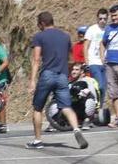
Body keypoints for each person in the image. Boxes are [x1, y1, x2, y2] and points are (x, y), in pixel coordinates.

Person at [27, 11, 88, 150]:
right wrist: (68, 71)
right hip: (62, 76)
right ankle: (76, 130)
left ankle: (37, 140)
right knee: (66, 107)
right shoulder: (65, 36)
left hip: (47, 75)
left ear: (42, 23)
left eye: (38, 24)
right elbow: (72, 59)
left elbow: (36, 59)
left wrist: (32, 80)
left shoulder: (39, 36)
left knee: (37, 109)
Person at [48, 63, 100, 131]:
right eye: (72, 69)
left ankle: (87, 120)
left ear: (81, 71)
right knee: (55, 102)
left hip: (83, 106)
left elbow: (94, 97)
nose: (73, 71)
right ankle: (55, 122)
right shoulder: (69, 83)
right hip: (71, 108)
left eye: (76, 70)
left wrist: (85, 92)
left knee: (89, 100)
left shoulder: (88, 81)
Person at [84, 8, 109, 106]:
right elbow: (85, 46)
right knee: (100, 86)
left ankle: (99, 108)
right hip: (93, 62)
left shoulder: (108, 29)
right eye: (100, 18)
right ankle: (94, 104)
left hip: (105, 62)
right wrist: (87, 63)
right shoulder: (92, 29)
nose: (102, 21)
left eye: (104, 19)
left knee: (104, 88)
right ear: (97, 18)